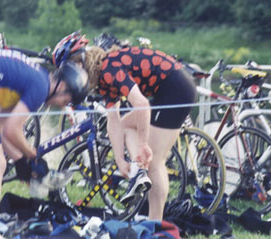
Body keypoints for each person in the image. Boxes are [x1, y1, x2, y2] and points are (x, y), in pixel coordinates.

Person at [52, 32, 197, 220]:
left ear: (79, 65)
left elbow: (142, 104)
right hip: (169, 89)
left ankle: (155, 222)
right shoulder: (102, 78)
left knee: (155, 162)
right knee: (126, 125)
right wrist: (120, 160)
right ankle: (139, 172)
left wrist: (143, 144)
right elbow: (114, 122)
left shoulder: (109, 69)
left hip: (177, 90)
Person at [0, 48, 88, 239]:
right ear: (61, 86)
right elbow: (12, 130)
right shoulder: (40, 86)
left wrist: (19, 160)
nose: (63, 105)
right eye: (67, 100)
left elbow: (1, 126)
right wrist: (32, 155)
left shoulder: (34, 77)